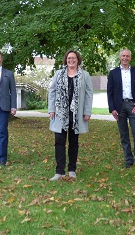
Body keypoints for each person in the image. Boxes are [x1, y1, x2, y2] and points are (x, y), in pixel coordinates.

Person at [48, 50, 93, 181]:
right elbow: (52, 92)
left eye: (73, 58)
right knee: (59, 141)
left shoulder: (85, 75)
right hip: (60, 113)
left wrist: (87, 112)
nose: (71, 60)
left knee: (74, 142)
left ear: (78, 60)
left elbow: (89, 94)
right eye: (69, 58)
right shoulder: (58, 74)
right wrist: (51, 109)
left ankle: (72, 169)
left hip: (76, 114)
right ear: (65, 60)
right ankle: (59, 171)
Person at [107, 49, 135, 169]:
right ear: (120, 57)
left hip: (133, 106)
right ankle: (129, 160)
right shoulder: (113, 73)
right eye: (123, 56)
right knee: (124, 135)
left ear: (130, 58)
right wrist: (112, 109)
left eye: (127, 56)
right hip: (119, 107)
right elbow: (110, 92)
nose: (125, 58)